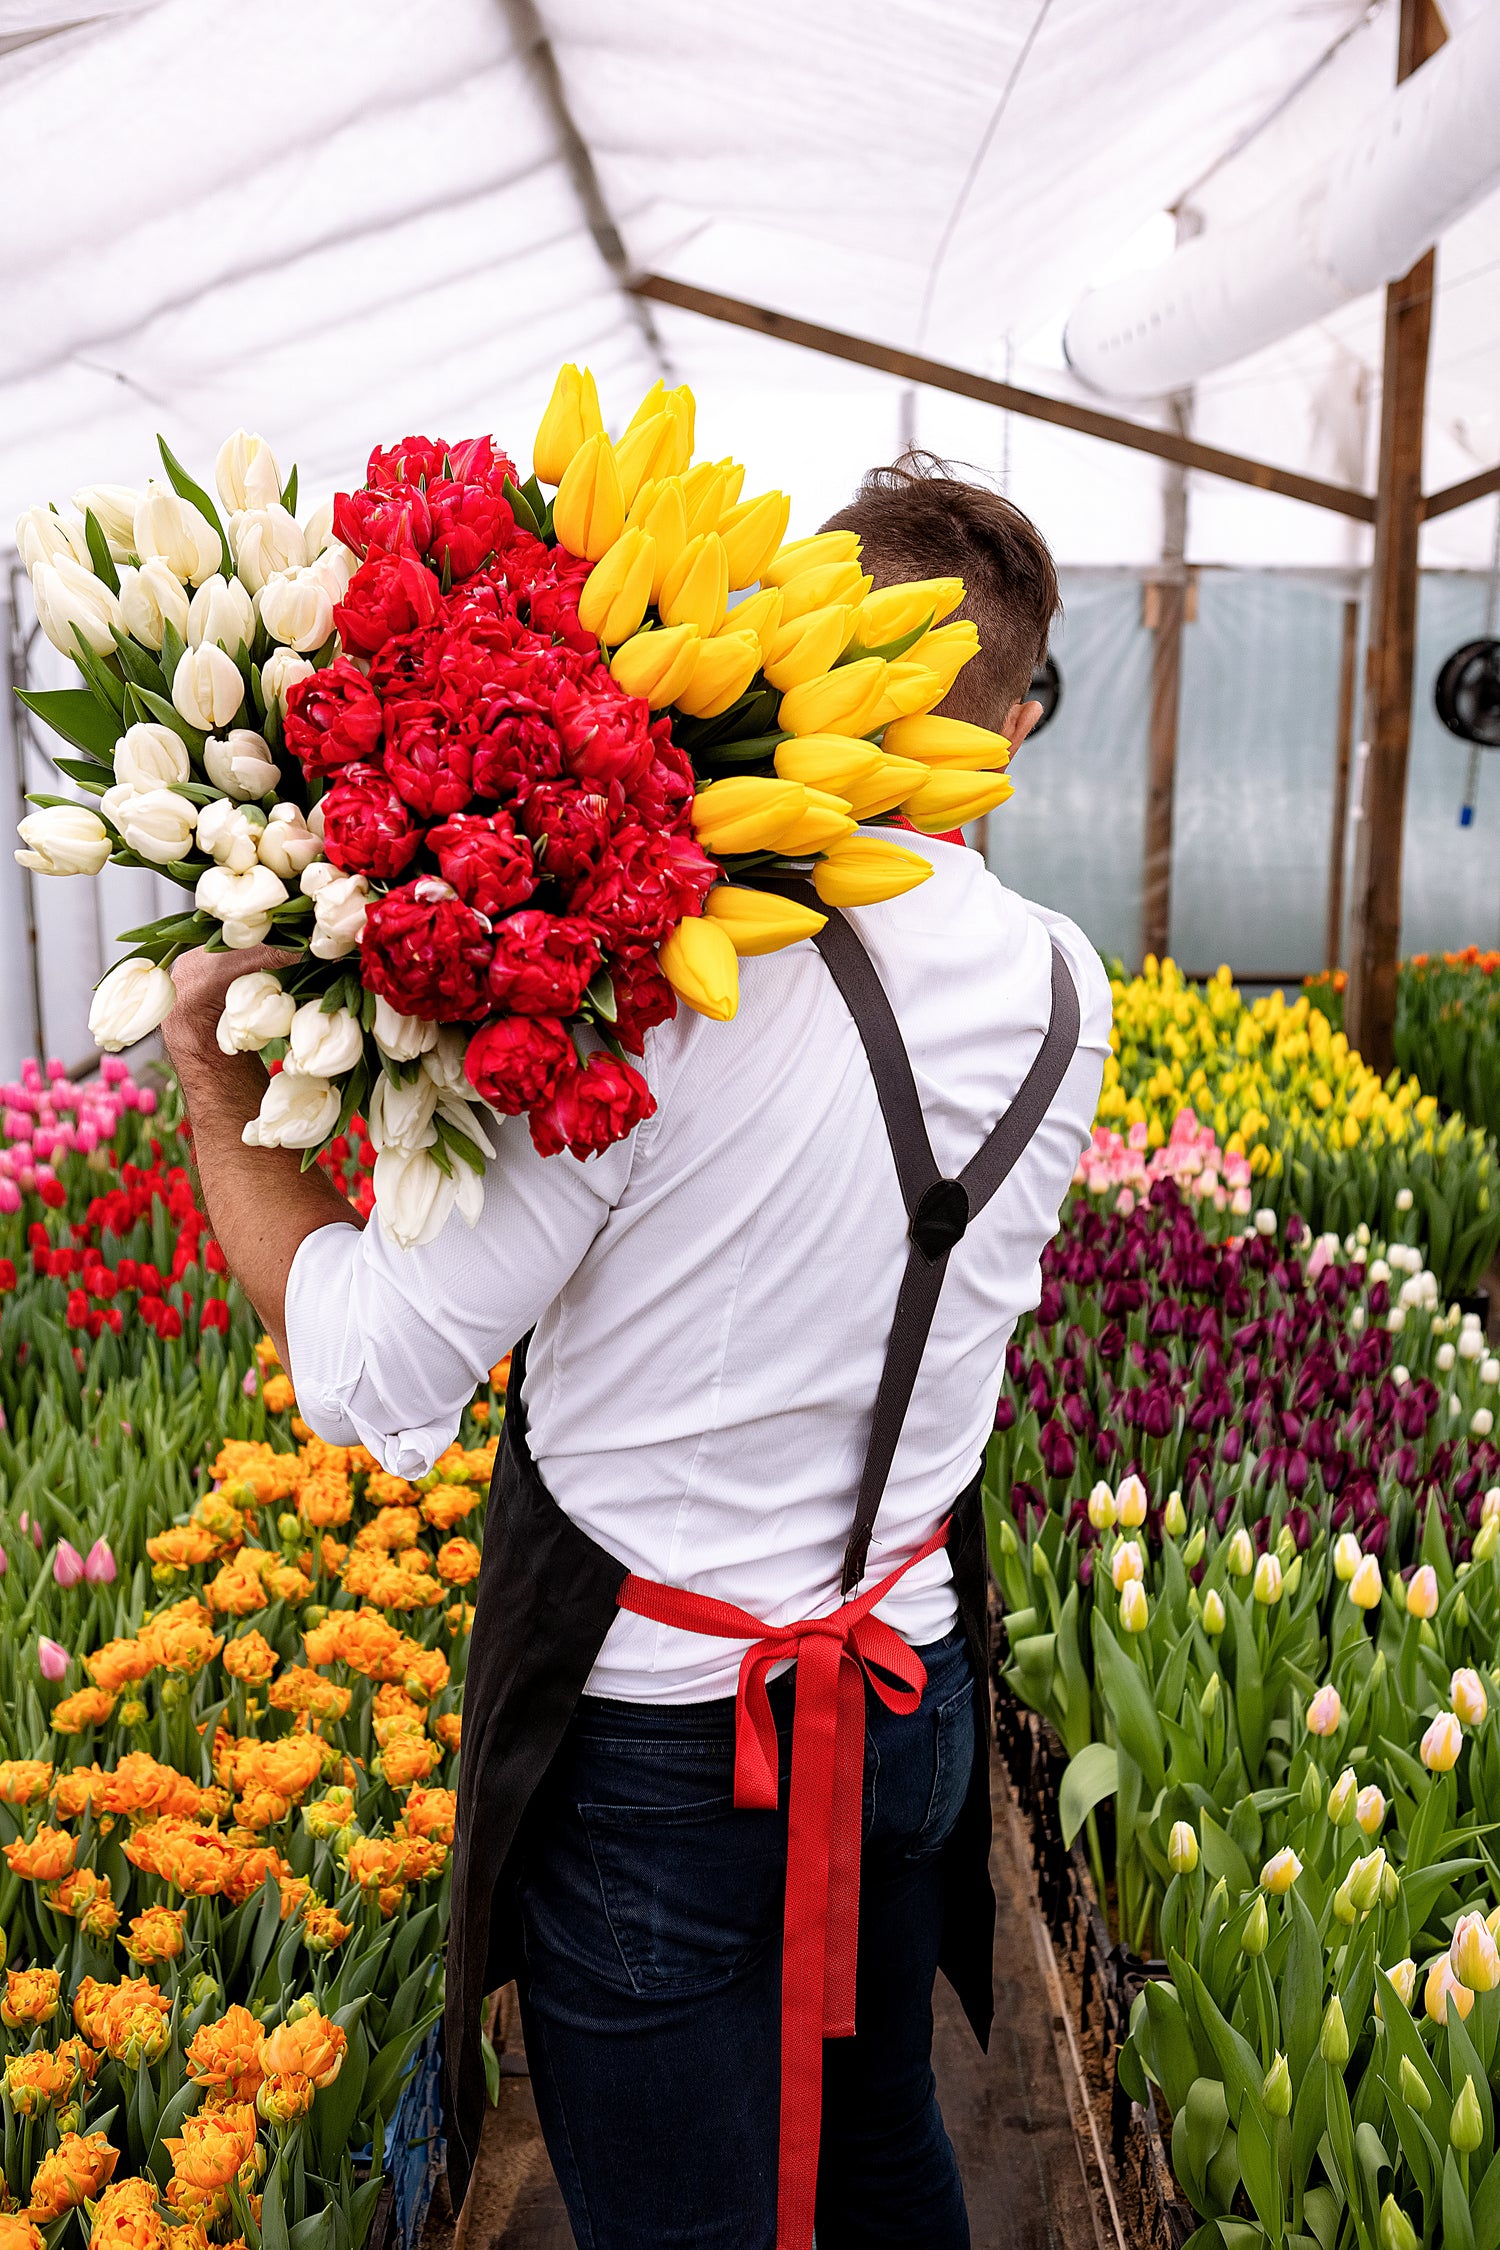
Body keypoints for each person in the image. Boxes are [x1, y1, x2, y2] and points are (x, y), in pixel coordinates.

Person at [161, 453, 1110, 2250]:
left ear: (797, 635)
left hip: (667, 1743)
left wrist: (228, 1087)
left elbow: (375, 1373)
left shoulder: (665, 978)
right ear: (1006, 721)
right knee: (884, 2128)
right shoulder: (1072, 982)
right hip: (908, 1686)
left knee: (678, 2213)